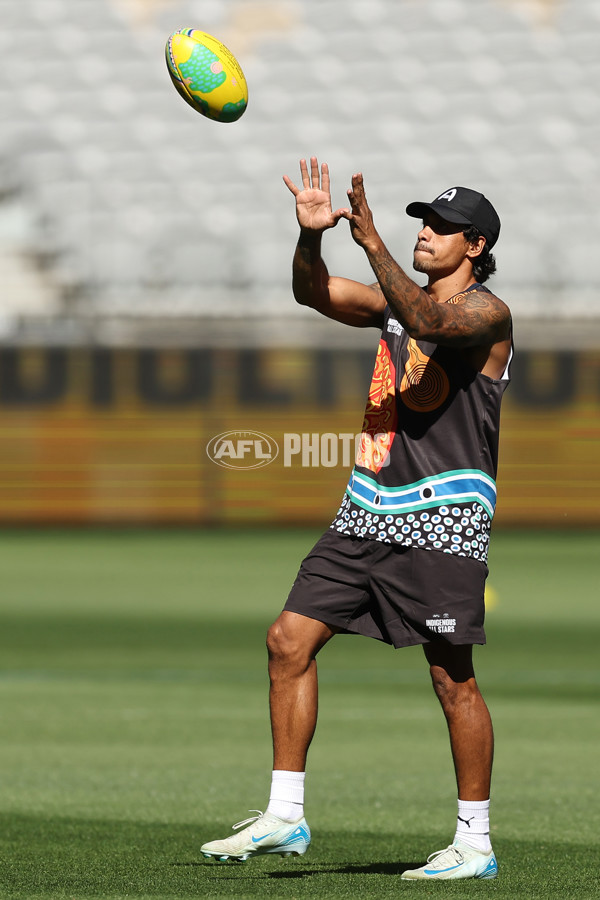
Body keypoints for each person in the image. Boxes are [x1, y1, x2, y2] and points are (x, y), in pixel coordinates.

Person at [201, 157, 512, 880]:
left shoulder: (488, 314)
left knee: (452, 679)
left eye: (445, 227)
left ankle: (474, 841)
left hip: (443, 517)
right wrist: (312, 239)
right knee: (287, 641)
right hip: (366, 508)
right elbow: (314, 293)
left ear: (474, 246)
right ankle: (285, 816)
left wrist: (372, 242)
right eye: (423, 222)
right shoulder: (392, 303)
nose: (427, 232)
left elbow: (431, 317)